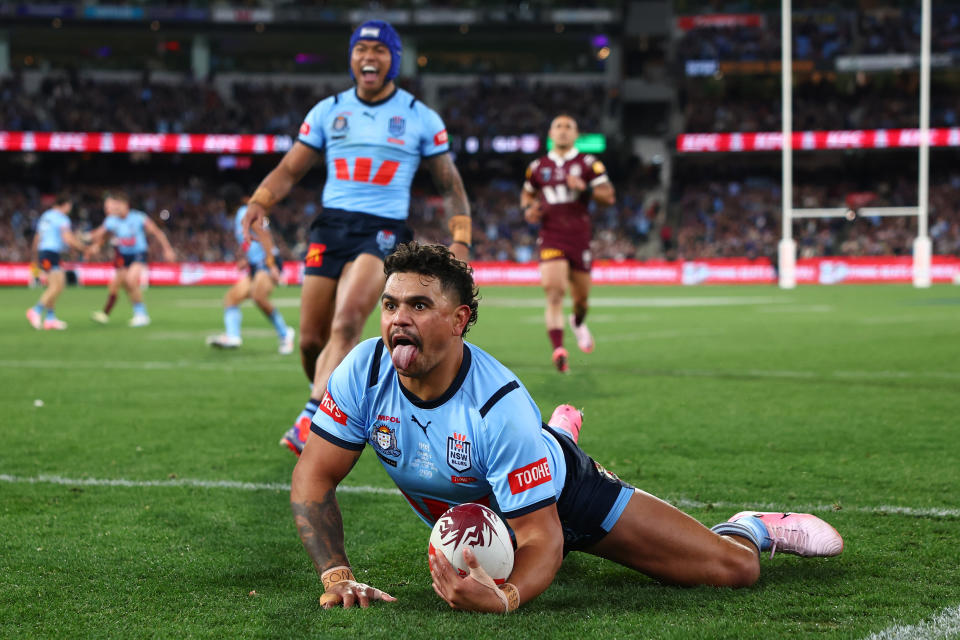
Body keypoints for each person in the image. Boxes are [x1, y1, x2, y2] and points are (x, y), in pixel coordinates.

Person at [290, 242, 843, 613]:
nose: (397, 319)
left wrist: (504, 598)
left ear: (459, 321)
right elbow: (312, 479)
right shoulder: (363, 370)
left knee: (735, 572)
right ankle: (553, 437)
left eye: (418, 304)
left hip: (565, 497)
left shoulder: (497, 408)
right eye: (389, 305)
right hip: (493, 511)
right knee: (518, 484)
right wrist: (336, 577)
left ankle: (752, 525)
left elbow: (542, 539)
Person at [239, 20, 471, 456]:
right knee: (311, 339)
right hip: (331, 226)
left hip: (383, 229)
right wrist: (260, 200)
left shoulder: (420, 116)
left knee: (347, 322)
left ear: (393, 60)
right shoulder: (328, 110)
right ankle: (328, 396)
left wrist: (462, 240)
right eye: (361, 48)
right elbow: (291, 169)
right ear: (351, 57)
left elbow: (450, 185)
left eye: (379, 50)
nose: (369, 56)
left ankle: (311, 415)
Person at [521, 114, 616, 373]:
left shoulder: (588, 163)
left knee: (581, 300)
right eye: (558, 127)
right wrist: (529, 209)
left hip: (579, 238)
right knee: (553, 291)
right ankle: (559, 349)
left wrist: (584, 188)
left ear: (576, 135)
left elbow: (608, 196)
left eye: (568, 127)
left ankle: (577, 320)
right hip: (551, 235)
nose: (563, 131)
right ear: (551, 133)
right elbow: (527, 194)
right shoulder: (538, 166)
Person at [206, 184, 295, 353]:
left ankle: (285, 334)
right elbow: (253, 242)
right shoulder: (240, 216)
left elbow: (265, 236)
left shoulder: (244, 214)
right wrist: (247, 261)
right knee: (231, 298)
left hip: (266, 264)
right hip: (256, 265)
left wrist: (271, 264)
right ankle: (233, 337)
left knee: (258, 296)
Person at [86, 191, 176, 327]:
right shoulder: (111, 220)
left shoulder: (139, 217)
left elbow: (157, 232)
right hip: (123, 256)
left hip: (139, 253)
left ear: (125, 205)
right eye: (114, 205)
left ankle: (141, 315)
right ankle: (138, 313)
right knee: (122, 285)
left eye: (118, 205)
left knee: (131, 280)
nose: (115, 208)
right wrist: (91, 242)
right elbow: (101, 234)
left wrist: (167, 249)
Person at [25, 194, 87, 330]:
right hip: (51, 253)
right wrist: (83, 248)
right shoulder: (62, 218)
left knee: (56, 285)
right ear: (66, 204)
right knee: (57, 286)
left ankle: (50, 319)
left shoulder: (46, 216)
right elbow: (68, 239)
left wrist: (35, 255)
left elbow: (38, 236)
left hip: (44, 253)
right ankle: (35, 310)